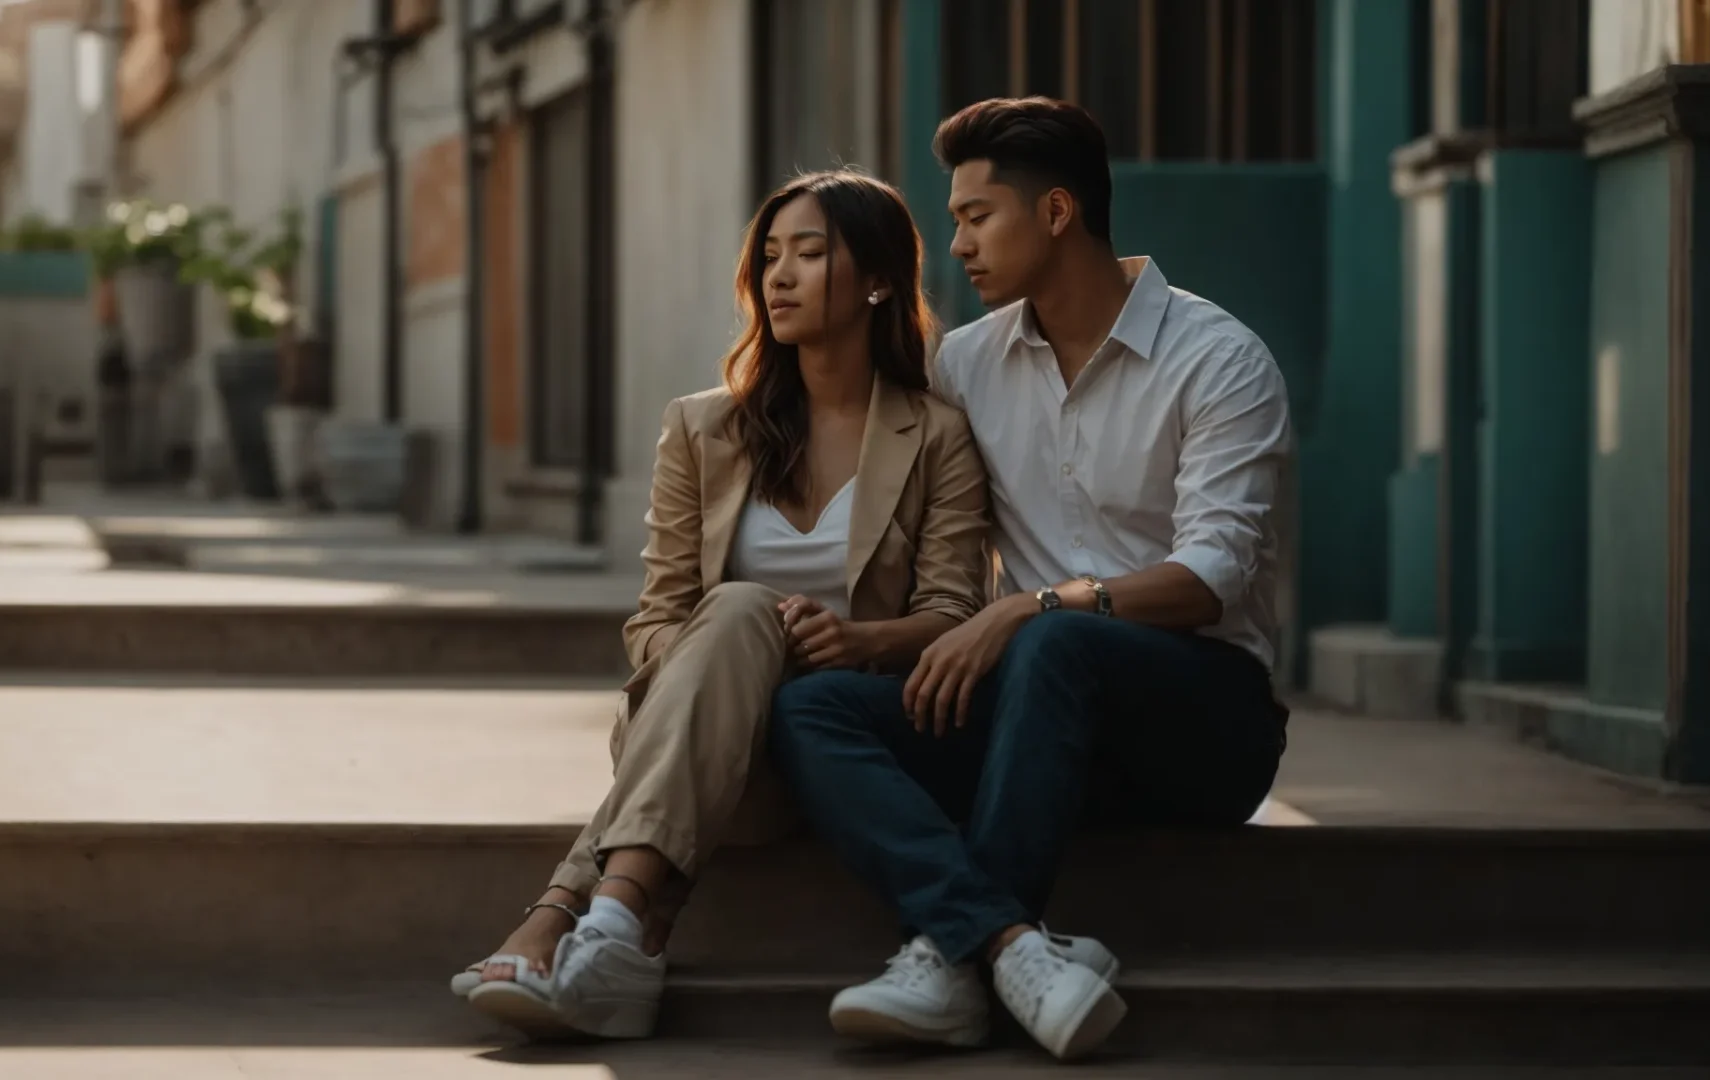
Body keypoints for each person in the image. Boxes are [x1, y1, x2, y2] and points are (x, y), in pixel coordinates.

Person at [766, 98, 1294, 1061]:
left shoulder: (1218, 361)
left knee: (1057, 640)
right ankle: (1000, 943)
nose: (957, 244)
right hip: (1038, 719)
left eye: (977, 217)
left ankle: (947, 957)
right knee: (816, 711)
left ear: (1056, 213)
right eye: (955, 219)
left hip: (1203, 724)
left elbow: (1211, 578)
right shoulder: (967, 365)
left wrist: (1031, 607)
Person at [450, 169, 996, 1040]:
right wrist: (742, 665)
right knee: (739, 613)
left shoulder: (937, 435)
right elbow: (656, 621)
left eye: (810, 255)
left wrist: (854, 642)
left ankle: (578, 918)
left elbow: (953, 613)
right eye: (770, 256)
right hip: (712, 742)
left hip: (839, 742)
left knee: (743, 620)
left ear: (880, 280)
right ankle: (622, 929)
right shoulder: (703, 429)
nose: (779, 276)